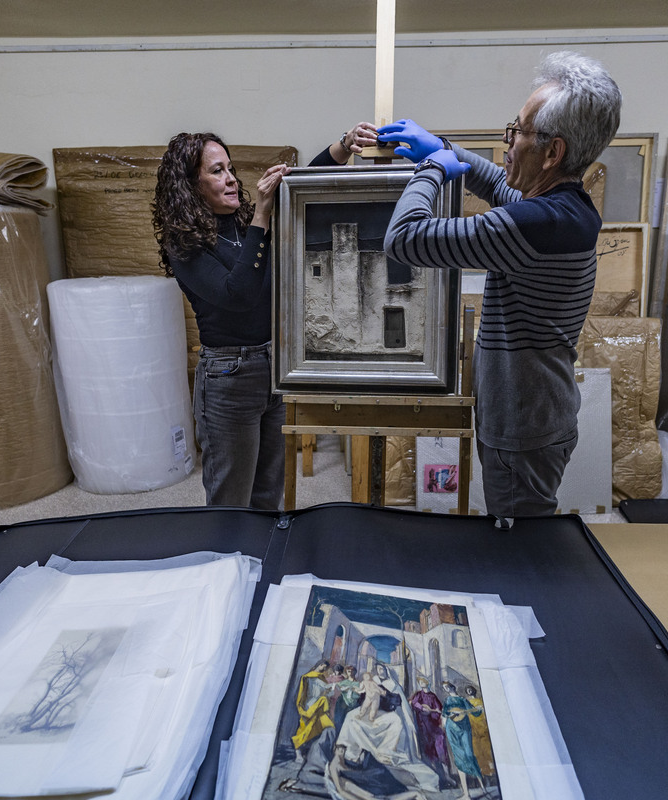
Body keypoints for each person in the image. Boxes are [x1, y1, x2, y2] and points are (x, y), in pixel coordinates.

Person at [379, 51, 622, 528]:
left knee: (520, 551)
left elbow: (403, 240)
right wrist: (445, 148)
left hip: (523, 428)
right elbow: (501, 185)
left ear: (552, 152)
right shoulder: (563, 207)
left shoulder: (535, 224)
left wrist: (431, 170)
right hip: (533, 414)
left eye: (518, 132)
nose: (507, 144)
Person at [151, 124, 378, 509]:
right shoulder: (185, 243)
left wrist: (344, 145)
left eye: (230, 168)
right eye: (216, 171)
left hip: (271, 366)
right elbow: (238, 294)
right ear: (191, 185)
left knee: (268, 494)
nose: (231, 180)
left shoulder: (243, 223)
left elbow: (305, 184)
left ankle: (257, 567)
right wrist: (262, 218)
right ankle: (226, 567)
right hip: (227, 377)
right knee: (231, 500)